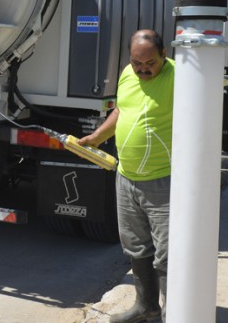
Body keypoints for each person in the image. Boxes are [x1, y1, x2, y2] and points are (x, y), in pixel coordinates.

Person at [78, 29, 173, 323]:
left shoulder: (180, 77)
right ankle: (146, 307)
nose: (143, 69)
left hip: (164, 179)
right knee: (136, 245)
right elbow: (121, 110)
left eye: (150, 63)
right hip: (127, 177)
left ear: (164, 56)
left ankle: (176, 314)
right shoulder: (127, 74)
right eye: (137, 63)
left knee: (169, 252)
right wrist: (96, 136)